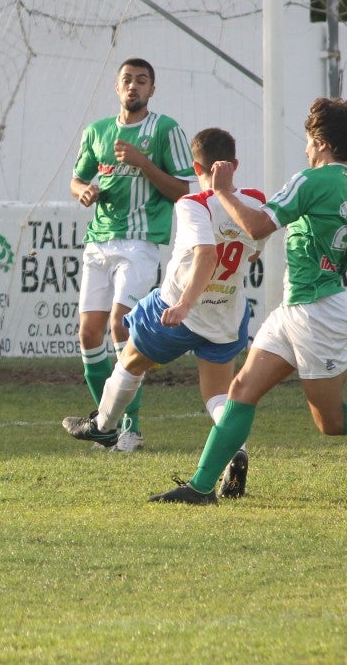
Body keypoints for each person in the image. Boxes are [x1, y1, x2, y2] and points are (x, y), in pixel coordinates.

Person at [150, 97, 347, 506]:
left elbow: (258, 225)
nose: (304, 148)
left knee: (332, 421)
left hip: (318, 313)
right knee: (242, 389)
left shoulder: (310, 180)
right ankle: (199, 487)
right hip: (297, 307)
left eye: (307, 140)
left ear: (320, 141)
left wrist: (223, 191)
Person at [62, 128, 264, 497]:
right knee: (219, 397)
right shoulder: (255, 200)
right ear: (234, 165)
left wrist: (184, 304)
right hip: (226, 316)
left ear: (194, 165)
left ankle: (104, 425)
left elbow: (207, 254)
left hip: (178, 309)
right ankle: (236, 450)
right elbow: (255, 246)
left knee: (128, 363)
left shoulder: (192, 204)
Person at [69, 58, 196, 451]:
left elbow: (184, 190)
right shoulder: (97, 131)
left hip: (140, 243)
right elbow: (77, 178)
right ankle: (105, 426)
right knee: (88, 334)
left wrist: (143, 163)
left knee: (120, 328)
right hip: (99, 241)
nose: (134, 87)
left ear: (152, 90)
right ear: (116, 86)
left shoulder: (165, 129)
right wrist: (83, 192)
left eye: (142, 81)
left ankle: (132, 427)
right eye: (127, 80)